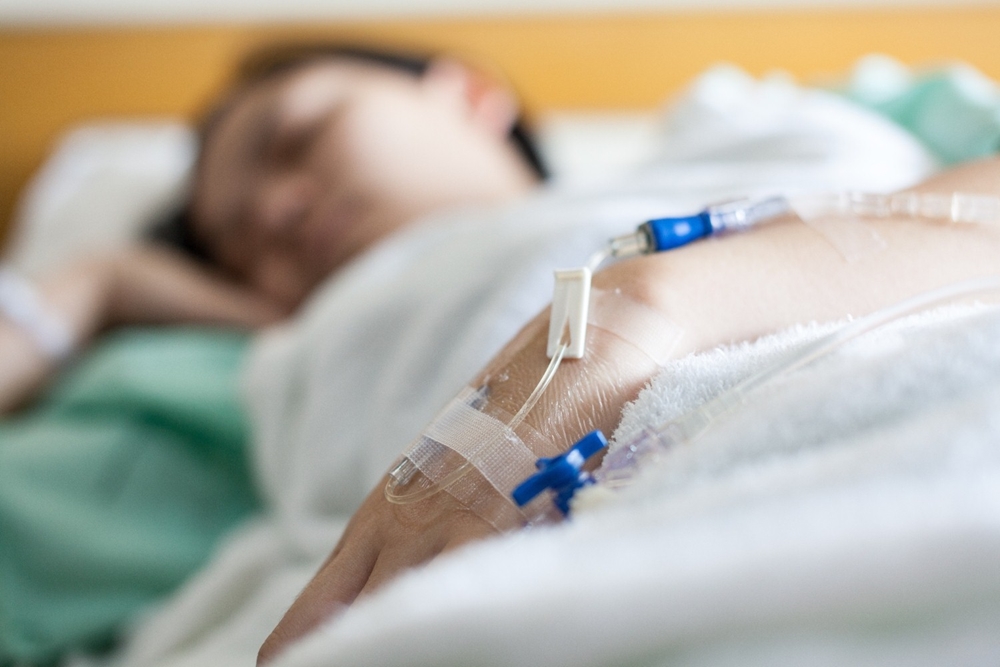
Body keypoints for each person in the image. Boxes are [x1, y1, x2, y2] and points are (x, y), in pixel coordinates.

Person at [0, 43, 549, 665]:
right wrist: (95, 284)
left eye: (298, 139)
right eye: (238, 248)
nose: (272, 210)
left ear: (468, 96)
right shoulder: (264, 360)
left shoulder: (650, 214)